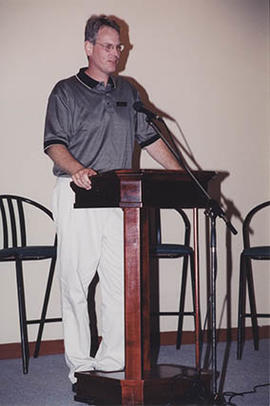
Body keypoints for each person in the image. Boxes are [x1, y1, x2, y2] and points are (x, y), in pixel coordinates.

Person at [44, 14, 182, 386]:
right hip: (79, 195)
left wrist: (182, 177)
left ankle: (113, 360)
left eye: (119, 46)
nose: (115, 53)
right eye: (108, 45)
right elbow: (54, 143)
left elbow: (150, 140)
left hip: (121, 200)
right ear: (88, 47)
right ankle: (81, 366)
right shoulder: (65, 91)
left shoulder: (128, 91)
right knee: (76, 283)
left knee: (122, 285)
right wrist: (76, 168)